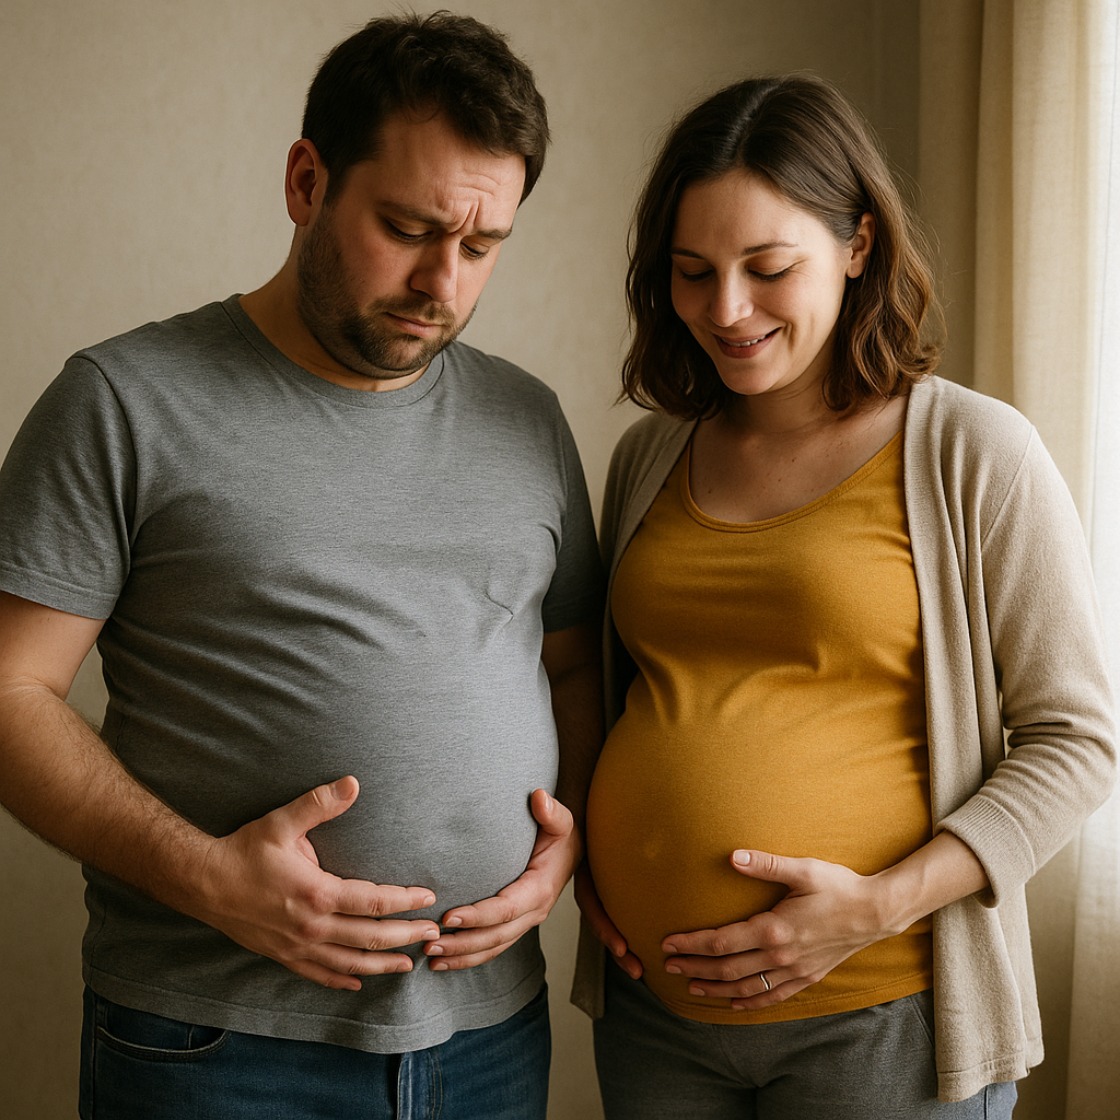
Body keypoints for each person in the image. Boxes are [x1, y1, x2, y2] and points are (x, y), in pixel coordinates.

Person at [0, 12, 603, 1120]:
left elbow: (572, 671)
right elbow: (8, 693)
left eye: (482, 247)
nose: (443, 282)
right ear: (305, 180)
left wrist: (561, 852)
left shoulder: (528, 421)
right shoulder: (125, 402)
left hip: (487, 1038)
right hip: (216, 1042)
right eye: (408, 227)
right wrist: (212, 883)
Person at [571, 74, 1116, 1118]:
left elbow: (1077, 739)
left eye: (767, 268)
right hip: (656, 1020)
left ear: (858, 244)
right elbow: (620, 694)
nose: (725, 311)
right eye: (692, 273)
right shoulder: (648, 456)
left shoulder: (970, 450)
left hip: (881, 1017)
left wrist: (871, 908)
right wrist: (596, 858)